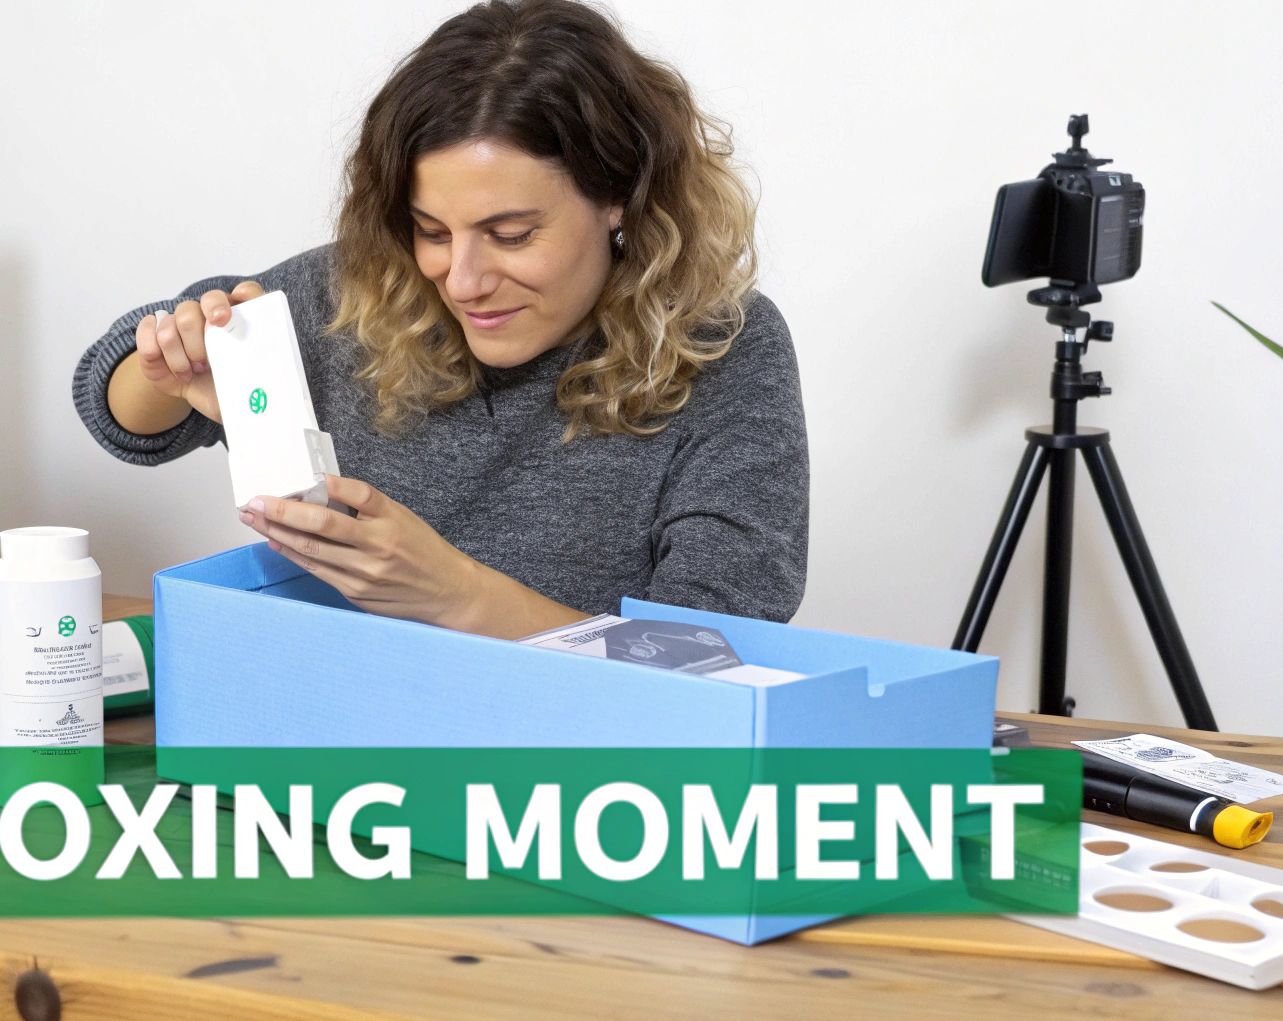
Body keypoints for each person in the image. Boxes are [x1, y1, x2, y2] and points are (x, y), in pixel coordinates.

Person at [73, 0, 808, 640]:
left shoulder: (724, 348)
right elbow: (112, 405)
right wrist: (169, 367)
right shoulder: (360, 289)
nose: (463, 280)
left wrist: (456, 595)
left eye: (512, 235)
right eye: (431, 230)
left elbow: (709, 657)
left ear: (618, 196)